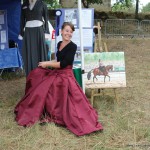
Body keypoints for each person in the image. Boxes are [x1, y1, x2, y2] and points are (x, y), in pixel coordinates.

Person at [15, 22, 103, 136]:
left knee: (48, 85)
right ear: (61, 31)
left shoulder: (73, 46)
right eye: (66, 31)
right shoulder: (60, 43)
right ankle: (39, 110)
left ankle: (56, 113)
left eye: (71, 32)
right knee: (37, 74)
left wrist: (47, 64)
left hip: (65, 76)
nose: (69, 33)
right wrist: (45, 63)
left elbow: (64, 63)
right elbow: (57, 60)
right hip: (57, 72)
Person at [19, 0, 50, 76]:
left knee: (40, 52)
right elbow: (22, 20)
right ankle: (31, 76)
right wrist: (21, 33)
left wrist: (46, 32)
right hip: (28, 32)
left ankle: (42, 76)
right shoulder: (24, 5)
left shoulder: (42, 4)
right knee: (29, 53)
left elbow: (46, 18)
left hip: (39, 31)